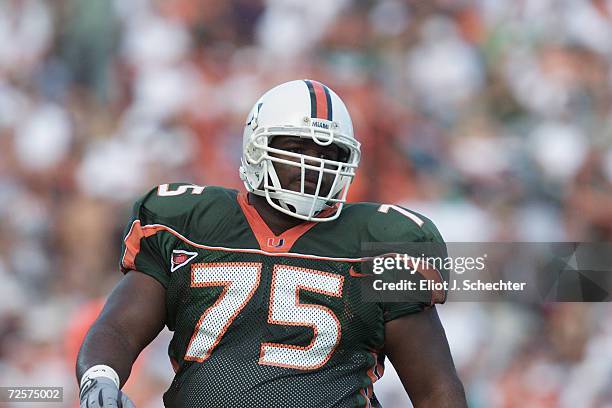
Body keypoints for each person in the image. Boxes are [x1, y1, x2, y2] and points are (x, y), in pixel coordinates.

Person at [77, 80, 467, 407]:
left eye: (330, 155)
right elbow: (120, 328)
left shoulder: (382, 242)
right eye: (296, 149)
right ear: (254, 148)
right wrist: (100, 378)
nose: (313, 166)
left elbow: (436, 389)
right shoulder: (190, 221)